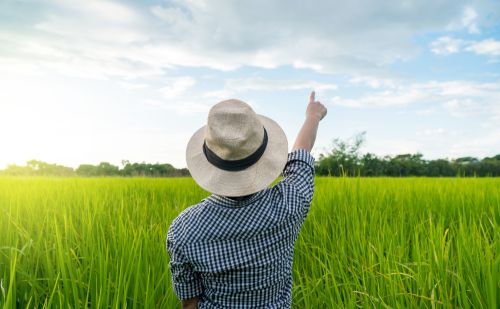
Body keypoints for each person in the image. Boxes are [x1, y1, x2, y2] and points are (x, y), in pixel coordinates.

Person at [167, 91, 327, 308]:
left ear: (211, 162)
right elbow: (301, 156)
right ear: (263, 155)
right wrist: (313, 116)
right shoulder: (289, 203)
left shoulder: (182, 229)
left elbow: (190, 304)